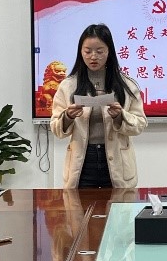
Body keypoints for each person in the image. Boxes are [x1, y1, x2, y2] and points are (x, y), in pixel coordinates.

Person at [49, 24, 148, 188]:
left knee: (119, 205)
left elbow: (140, 124)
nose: (93, 57)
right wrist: (68, 116)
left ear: (109, 52)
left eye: (100, 51)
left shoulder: (126, 85)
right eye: (87, 51)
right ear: (80, 52)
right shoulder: (68, 85)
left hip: (117, 162)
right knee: (79, 205)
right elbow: (55, 128)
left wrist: (120, 116)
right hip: (83, 163)